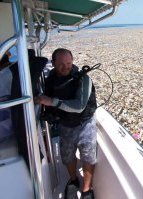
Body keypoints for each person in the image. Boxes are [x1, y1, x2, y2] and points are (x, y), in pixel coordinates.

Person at [35, 48, 97, 199]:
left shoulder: (83, 79)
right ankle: (73, 179)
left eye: (69, 63)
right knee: (67, 156)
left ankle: (86, 189)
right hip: (65, 124)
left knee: (88, 156)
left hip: (84, 123)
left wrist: (51, 102)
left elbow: (79, 106)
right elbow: (48, 94)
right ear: (54, 63)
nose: (66, 66)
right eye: (61, 63)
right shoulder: (51, 78)